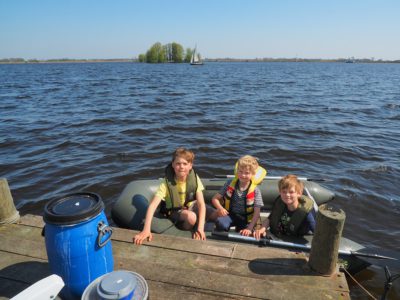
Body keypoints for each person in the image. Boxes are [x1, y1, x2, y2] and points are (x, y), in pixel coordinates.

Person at [133, 147, 207, 245]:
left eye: (185, 164)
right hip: (175, 211)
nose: (181, 167)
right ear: (173, 165)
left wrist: (201, 228)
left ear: (190, 166)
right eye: (178, 163)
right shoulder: (166, 183)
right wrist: (146, 229)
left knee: (215, 213)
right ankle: (188, 233)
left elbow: (201, 204)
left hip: (190, 206)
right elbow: (152, 206)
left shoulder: (194, 178)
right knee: (191, 217)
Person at [210, 155, 266, 236]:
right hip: (231, 214)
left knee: (245, 233)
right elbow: (215, 199)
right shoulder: (230, 183)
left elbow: (257, 213)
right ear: (237, 171)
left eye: (247, 173)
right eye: (240, 171)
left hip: (246, 219)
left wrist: (249, 228)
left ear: (253, 174)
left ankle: (241, 229)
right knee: (220, 223)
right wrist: (220, 208)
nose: (243, 175)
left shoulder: (255, 190)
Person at [254, 174, 316, 240]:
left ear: (299, 194)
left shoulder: (305, 213)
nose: (287, 195)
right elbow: (271, 217)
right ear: (280, 192)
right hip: (278, 234)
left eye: (291, 192)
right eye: (284, 192)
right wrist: (262, 229)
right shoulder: (280, 203)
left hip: (295, 239)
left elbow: (316, 230)